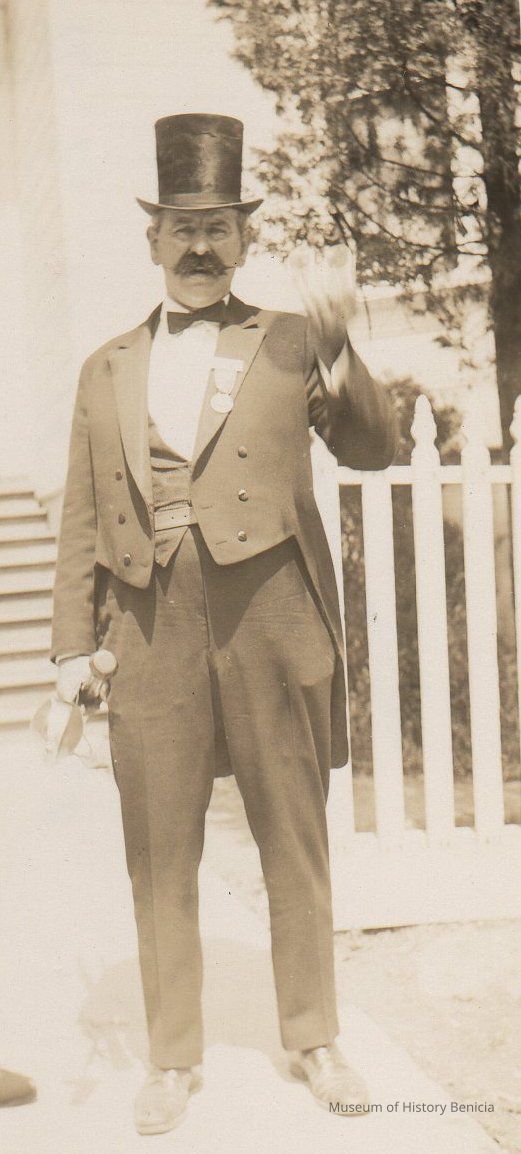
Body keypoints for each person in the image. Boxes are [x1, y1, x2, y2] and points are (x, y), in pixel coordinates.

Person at [51, 114, 397, 1135]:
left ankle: (313, 1037)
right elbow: (80, 518)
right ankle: (170, 1056)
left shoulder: (292, 341)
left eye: (217, 228)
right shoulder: (104, 366)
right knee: (157, 849)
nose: (199, 247)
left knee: (292, 836)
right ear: (151, 239)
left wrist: (342, 348)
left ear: (244, 238)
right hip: (146, 629)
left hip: (271, 621)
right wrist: (70, 646)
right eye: (182, 228)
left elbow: (371, 449)